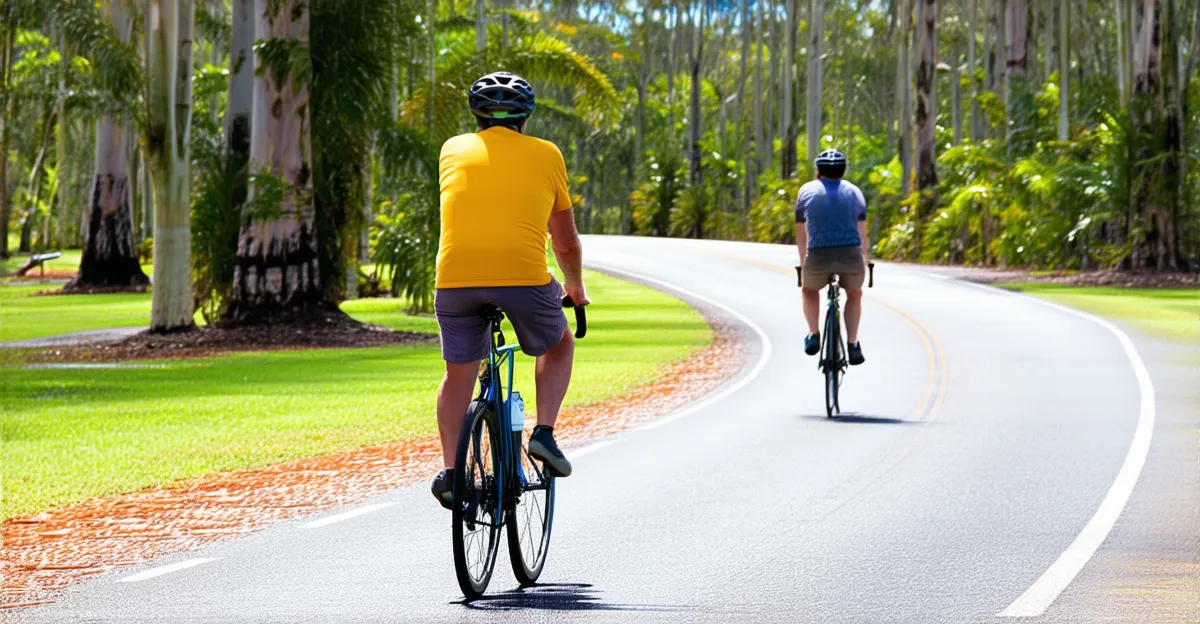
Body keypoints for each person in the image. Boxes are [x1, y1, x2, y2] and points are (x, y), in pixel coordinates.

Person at [430, 72, 590, 509]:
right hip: (523, 277)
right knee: (558, 344)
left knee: (458, 373)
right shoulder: (546, 154)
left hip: (454, 280)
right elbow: (565, 242)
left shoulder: (452, 149)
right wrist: (573, 286)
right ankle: (543, 435)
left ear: (476, 116)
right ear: (525, 117)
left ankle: (451, 472)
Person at [794, 149, 869, 365]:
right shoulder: (855, 192)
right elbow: (862, 232)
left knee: (809, 291)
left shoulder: (806, 190)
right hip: (851, 255)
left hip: (818, 255)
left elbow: (801, 233)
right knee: (854, 294)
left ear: (818, 171)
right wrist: (866, 259)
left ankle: (814, 334)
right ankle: (853, 343)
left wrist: (803, 263)